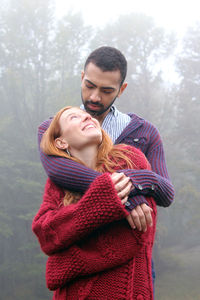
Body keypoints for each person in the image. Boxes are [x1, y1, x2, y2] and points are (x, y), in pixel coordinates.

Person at [38, 46, 175, 287]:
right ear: (82, 77)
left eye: (106, 90)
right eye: (89, 85)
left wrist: (136, 181)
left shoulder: (144, 134)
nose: (94, 97)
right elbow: (59, 170)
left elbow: (165, 191)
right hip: (80, 274)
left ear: (121, 89)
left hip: (131, 270)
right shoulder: (53, 129)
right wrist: (126, 196)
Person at [32, 106, 157, 299]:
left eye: (88, 116)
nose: (87, 117)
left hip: (125, 293)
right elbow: (46, 234)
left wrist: (61, 264)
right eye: (74, 117)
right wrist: (101, 202)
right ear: (61, 142)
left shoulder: (128, 159)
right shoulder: (58, 182)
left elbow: (133, 238)